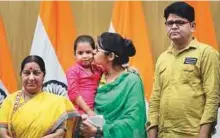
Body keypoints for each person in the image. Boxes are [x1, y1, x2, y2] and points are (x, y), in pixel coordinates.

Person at [148, 2, 220, 138]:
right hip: (164, 134)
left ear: (192, 26)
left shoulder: (206, 53)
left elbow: (213, 98)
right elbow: (155, 100)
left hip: (192, 134)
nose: (174, 26)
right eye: (169, 23)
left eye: (180, 22)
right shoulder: (162, 58)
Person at [81, 32, 147, 138]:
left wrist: (100, 131)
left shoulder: (131, 80)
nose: (93, 52)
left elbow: (133, 122)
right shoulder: (98, 76)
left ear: (111, 56)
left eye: (97, 50)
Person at [0, 55, 79, 138]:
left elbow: (60, 133)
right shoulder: (9, 101)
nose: (31, 78)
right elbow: (2, 132)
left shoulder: (57, 102)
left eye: (36, 73)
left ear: (43, 76)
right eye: (26, 73)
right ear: (21, 74)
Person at [66, 35, 102, 116]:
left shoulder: (98, 69)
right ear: (74, 55)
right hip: (80, 113)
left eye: (88, 52)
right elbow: (73, 94)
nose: (85, 56)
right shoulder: (73, 71)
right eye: (80, 53)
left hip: (96, 111)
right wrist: (88, 111)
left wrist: (126, 68)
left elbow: (112, 71)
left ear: (94, 52)